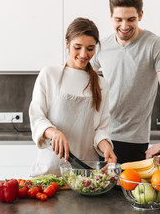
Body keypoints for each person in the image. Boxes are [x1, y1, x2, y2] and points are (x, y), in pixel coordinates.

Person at [91, 0, 160, 163]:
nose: (124, 26)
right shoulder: (101, 47)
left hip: (134, 140)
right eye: (118, 19)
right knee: (98, 189)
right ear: (111, 17)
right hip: (101, 137)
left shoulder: (154, 44)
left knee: (130, 190)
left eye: (131, 19)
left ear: (140, 15)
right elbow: (82, 84)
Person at [29, 17, 117, 176]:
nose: (84, 54)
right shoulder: (49, 75)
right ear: (67, 43)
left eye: (90, 48)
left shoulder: (101, 84)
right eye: (78, 47)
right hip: (51, 171)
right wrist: (54, 132)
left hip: (84, 173)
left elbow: (100, 130)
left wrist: (107, 148)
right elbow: (37, 117)